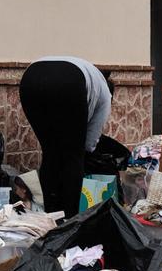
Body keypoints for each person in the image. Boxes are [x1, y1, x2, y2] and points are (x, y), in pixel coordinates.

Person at [18, 57, 113, 219]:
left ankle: (51, 214)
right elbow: (89, 144)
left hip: (31, 78)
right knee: (73, 156)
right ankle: (70, 218)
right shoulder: (105, 93)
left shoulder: (90, 74)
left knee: (50, 152)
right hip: (70, 81)